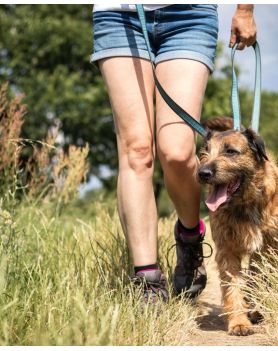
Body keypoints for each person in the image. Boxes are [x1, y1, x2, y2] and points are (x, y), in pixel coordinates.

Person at [90, 4, 258, 302]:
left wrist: (244, 9)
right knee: (136, 150)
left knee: (178, 152)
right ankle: (148, 279)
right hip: (118, 15)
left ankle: (190, 239)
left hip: (189, 15)